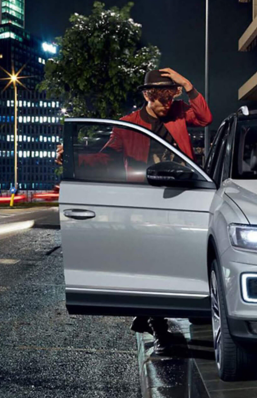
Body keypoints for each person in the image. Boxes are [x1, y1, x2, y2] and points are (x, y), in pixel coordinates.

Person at [63, 68, 212, 354]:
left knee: (183, 256)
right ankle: (158, 326)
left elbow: (205, 117)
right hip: (147, 200)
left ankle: (148, 313)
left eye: (171, 95)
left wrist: (187, 84)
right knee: (154, 262)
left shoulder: (180, 113)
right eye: (160, 96)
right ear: (147, 95)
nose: (167, 102)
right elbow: (106, 156)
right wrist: (72, 158)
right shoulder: (128, 124)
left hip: (183, 196)